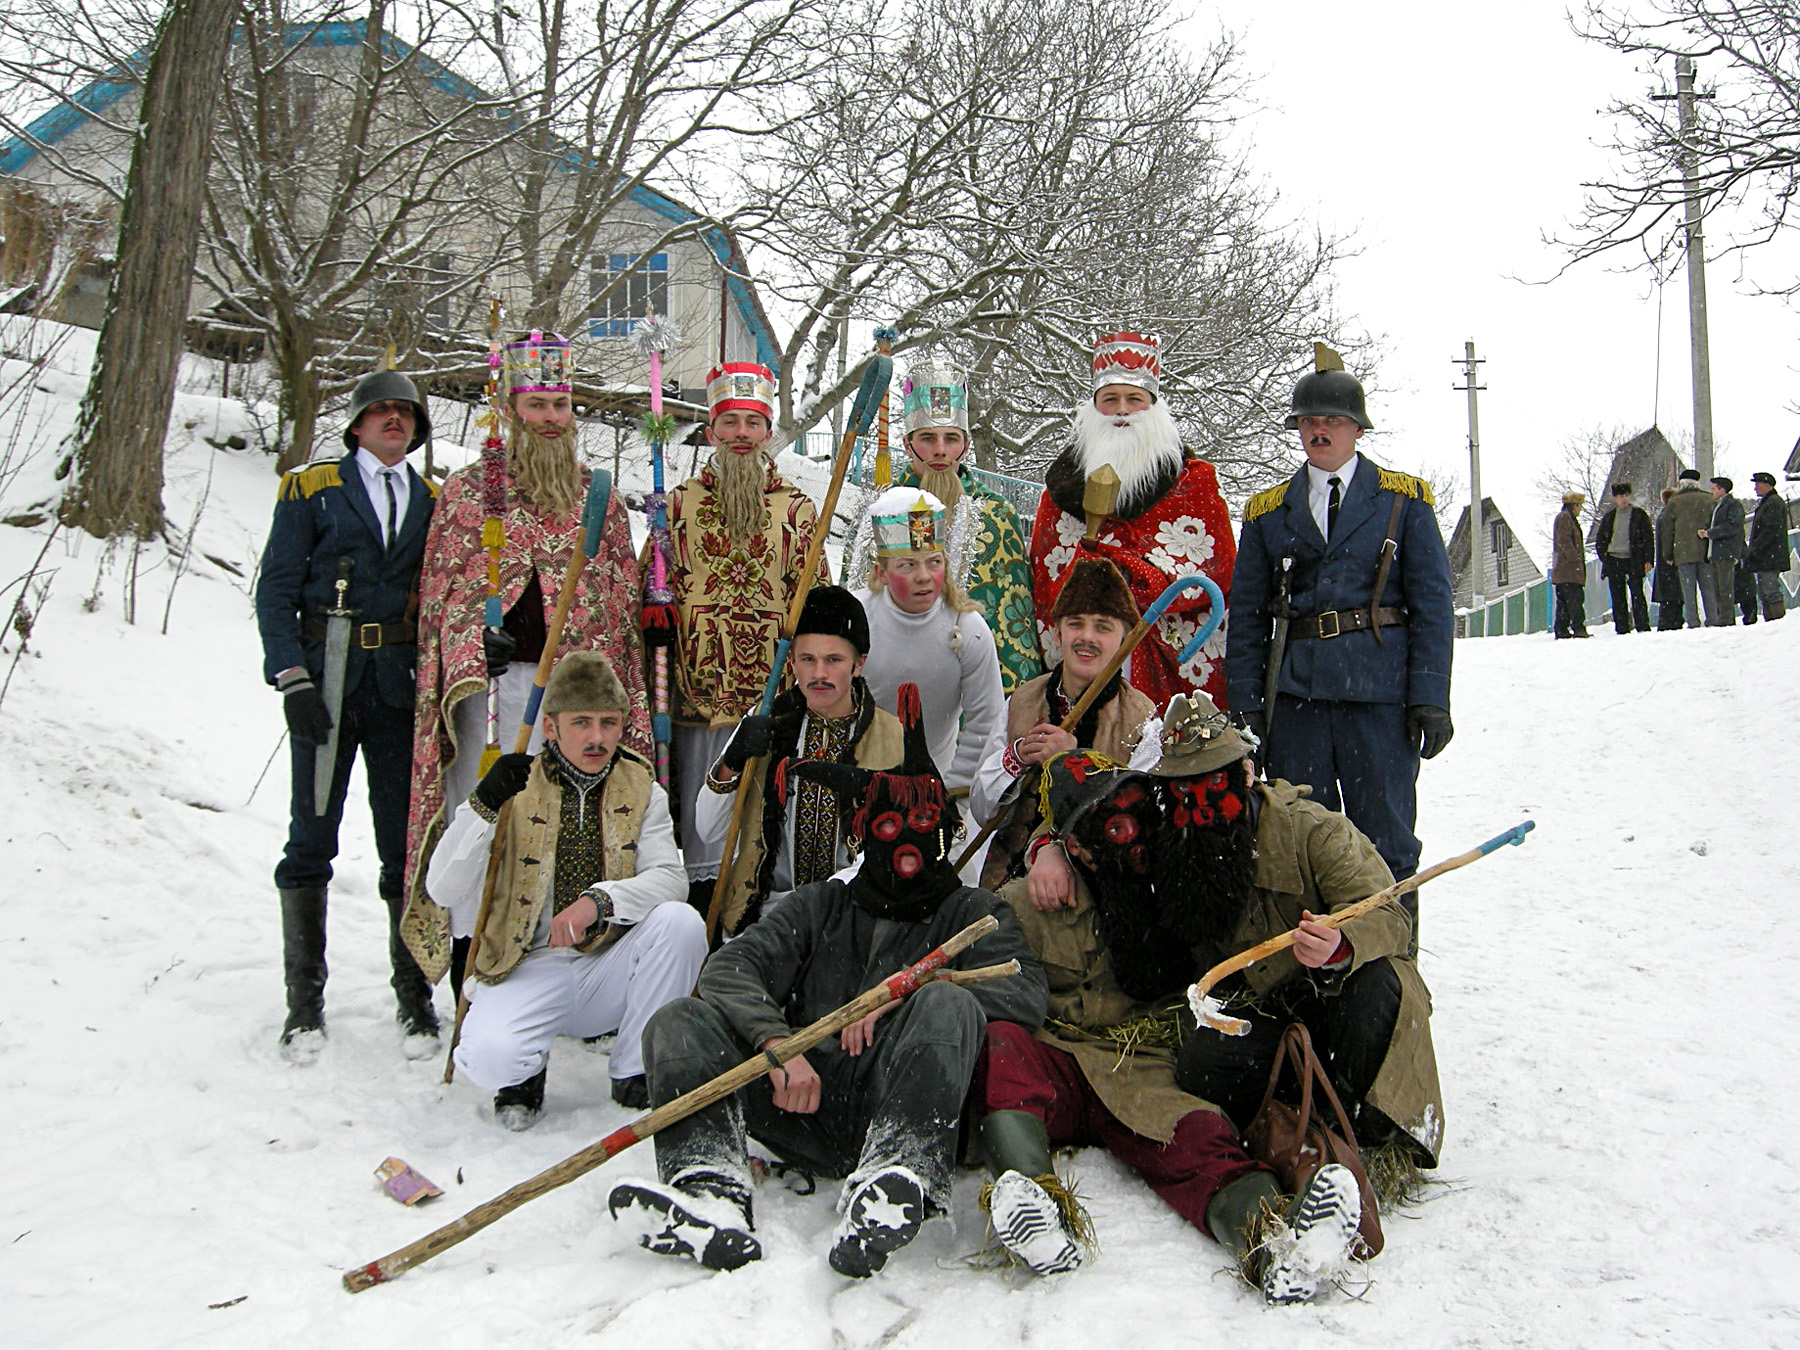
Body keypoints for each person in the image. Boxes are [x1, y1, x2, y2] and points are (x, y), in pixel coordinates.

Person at [607, 683, 1046, 1277]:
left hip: (900, 1099)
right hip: (798, 1092)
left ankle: (895, 1184)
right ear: (864, 836)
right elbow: (730, 970)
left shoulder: (971, 912)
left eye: (921, 822)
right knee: (679, 1020)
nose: (907, 843)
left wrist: (903, 995)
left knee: (948, 1001)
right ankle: (709, 1192)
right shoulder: (822, 904)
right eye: (888, 827)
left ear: (943, 829)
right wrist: (776, 1045)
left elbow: (1024, 991)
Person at [976, 741, 1373, 1304]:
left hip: (1147, 1063)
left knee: (1200, 1139)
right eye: (1111, 830)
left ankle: (1275, 1245)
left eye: (1139, 814)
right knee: (1005, 1048)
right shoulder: (1025, 898)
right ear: (1080, 849)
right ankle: (1035, 1203)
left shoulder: (1179, 877)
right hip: (1062, 1056)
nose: (1134, 839)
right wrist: (1044, 848)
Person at [1160, 692, 1440, 1285]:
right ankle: (1297, 1129)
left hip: (1340, 1003)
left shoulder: (1316, 833)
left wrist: (1339, 948)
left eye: (1214, 787)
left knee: (1380, 987)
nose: (1201, 806)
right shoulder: (1180, 849)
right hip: (1266, 1020)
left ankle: (1355, 1136)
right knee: (1198, 1062)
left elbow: (1390, 917)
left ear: (1245, 775)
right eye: (1184, 793)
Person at [402, 332, 650, 989]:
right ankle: (471, 969)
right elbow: (441, 601)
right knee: (487, 826)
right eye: (535, 403)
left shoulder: (602, 500)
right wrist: (470, 645)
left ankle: (573, 967)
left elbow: (618, 607)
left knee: (570, 829)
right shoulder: (467, 494)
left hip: (575, 711)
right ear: (511, 408)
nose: (549, 418)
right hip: (488, 696)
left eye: (559, 404)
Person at [1223, 356, 1453, 943]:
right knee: (1299, 838)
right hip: (1297, 701)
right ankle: (1309, 975)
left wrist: (1431, 697)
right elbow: (1246, 618)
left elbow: (1432, 608)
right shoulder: (1269, 512)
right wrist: (1246, 705)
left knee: (1388, 838)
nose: (1318, 431)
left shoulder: (1404, 502)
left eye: (1332, 420)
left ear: (1357, 429)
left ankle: (1394, 965)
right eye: (1307, 421)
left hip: (1379, 698)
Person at [424, 651, 704, 1125]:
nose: (597, 738)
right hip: (526, 965)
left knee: (681, 924)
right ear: (550, 727)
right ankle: (523, 1072)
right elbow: (444, 890)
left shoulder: (641, 786)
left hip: (606, 965)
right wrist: (484, 805)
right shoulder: (514, 784)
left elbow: (670, 880)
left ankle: (636, 1068)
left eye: (609, 723)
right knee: (490, 1059)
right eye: (582, 723)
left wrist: (600, 902)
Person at [255, 368, 439, 1065]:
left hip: (399, 689)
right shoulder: (313, 488)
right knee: (311, 841)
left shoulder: (431, 498)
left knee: (402, 848)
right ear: (357, 424)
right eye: (381, 411)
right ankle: (304, 1006)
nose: (394, 421)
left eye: (406, 414)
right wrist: (291, 676)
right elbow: (275, 588)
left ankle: (414, 996)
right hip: (325, 686)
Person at [658, 361, 822, 903]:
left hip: (772, 696)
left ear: (770, 431)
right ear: (711, 431)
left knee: (767, 833)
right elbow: (654, 586)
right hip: (699, 696)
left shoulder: (799, 511)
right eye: (731, 423)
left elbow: (816, 600)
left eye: (753, 423)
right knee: (704, 841)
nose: (743, 436)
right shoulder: (678, 506)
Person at [1027, 331, 1235, 708]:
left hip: (1162, 664)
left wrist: (1130, 576)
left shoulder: (1193, 484)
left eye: (1134, 400)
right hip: (1083, 660)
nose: (1122, 410)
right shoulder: (1058, 494)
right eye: (1110, 399)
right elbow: (1044, 576)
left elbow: (1214, 569)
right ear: (1093, 409)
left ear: (1153, 408)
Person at [696, 587, 902, 937]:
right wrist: (732, 761)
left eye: (833, 660)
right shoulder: (765, 720)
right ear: (790, 662)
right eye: (808, 659)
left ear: (859, 663)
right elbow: (708, 830)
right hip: (765, 915)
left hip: (852, 917)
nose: (819, 674)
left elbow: (893, 849)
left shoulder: (892, 737)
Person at [845, 358, 1041, 693]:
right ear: (908, 444)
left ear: (965, 445)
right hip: (889, 682)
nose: (939, 450)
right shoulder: (876, 514)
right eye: (927, 438)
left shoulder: (996, 515)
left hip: (973, 686)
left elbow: (1013, 617)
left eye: (951, 438)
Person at [970, 554, 1157, 893]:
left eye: (1103, 627)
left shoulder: (1142, 721)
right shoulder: (1022, 702)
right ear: (1057, 635)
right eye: (1075, 623)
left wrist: (1075, 766)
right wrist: (1016, 759)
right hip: (1005, 881)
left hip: (1096, 887)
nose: (1086, 637)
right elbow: (982, 809)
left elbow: (1135, 827)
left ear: (1124, 644)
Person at [851, 487, 1007, 883]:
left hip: (941, 785)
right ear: (881, 572)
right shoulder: (857, 622)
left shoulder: (967, 630)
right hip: (861, 780)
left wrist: (952, 793)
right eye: (907, 565)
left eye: (933, 562)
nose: (923, 577)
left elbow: (986, 721)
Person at [1593, 482, 1653, 634]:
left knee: (1637, 594)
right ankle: (1622, 627)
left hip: (1634, 559)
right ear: (1615, 498)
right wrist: (1605, 558)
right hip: (1614, 559)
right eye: (1620, 496)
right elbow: (1600, 540)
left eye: (1626, 495)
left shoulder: (1639, 515)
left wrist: (1648, 559)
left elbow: (1647, 538)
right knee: (1618, 596)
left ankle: (1642, 625)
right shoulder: (1609, 517)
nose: (1624, 499)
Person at [1660, 468, 1713, 629]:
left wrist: (1668, 554)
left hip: (1682, 553)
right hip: (1705, 551)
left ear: (1682, 484)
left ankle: (1693, 621)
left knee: (1688, 591)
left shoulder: (1674, 502)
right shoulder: (1709, 499)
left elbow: (1667, 530)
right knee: (1708, 589)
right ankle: (1712, 618)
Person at [1698, 476, 1746, 627]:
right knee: (1717, 589)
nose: (1711, 492)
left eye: (1714, 488)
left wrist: (1710, 533)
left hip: (1725, 553)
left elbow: (1733, 526)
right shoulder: (1717, 506)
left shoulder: (1732, 504)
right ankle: (1722, 618)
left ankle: (1726, 620)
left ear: (1722, 489)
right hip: (1716, 553)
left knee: (1725, 589)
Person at [1744, 472, 1791, 621]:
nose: (1755, 488)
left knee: (1770, 590)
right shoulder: (1768, 502)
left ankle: (1776, 620)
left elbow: (1771, 530)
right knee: (1765, 591)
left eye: (1757, 485)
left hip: (1770, 556)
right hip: (1767, 556)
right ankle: (1771, 621)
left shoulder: (1773, 503)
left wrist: (1756, 548)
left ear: (1767, 485)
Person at [1550, 492, 1589, 639]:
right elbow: (1564, 540)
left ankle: (1562, 629)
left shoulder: (1565, 518)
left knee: (1565, 602)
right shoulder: (1564, 519)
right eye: (1579, 506)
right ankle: (1577, 628)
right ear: (1574, 506)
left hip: (1564, 571)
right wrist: (1575, 558)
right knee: (1574, 600)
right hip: (1568, 570)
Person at [1652, 487, 1685, 630]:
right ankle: (1672, 623)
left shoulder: (1663, 515)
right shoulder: (1669, 515)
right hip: (1670, 563)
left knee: (1668, 598)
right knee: (1673, 597)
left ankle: (1669, 622)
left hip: (1664, 564)